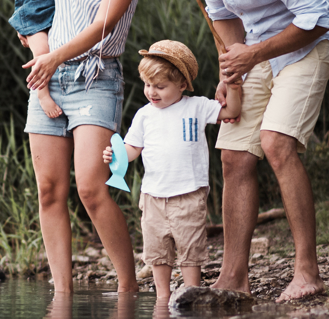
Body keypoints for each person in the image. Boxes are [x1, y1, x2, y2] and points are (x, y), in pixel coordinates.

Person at [152, 0, 329, 302]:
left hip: (308, 46)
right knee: (234, 154)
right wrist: (230, 69)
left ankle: (307, 273)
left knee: (275, 144)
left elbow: (317, 19)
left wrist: (252, 53)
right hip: (257, 52)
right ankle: (234, 278)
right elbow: (223, 18)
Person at [23, 0, 145, 294]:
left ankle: (128, 287)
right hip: (49, 78)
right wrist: (42, 55)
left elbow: (104, 26)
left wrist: (54, 57)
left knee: (92, 188)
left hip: (96, 77)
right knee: (49, 190)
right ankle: (62, 294)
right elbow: (31, 1)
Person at [102, 40, 241, 301]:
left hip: (188, 194)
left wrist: (233, 85)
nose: (151, 92)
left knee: (190, 249)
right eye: (147, 85)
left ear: (182, 84)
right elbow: (132, 148)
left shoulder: (196, 106)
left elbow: (231, 110)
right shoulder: (145, 115)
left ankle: (190, 294)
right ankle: (162, 299)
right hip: (153, 197)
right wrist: (115, 154)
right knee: (157, 252)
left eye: (160, 86)